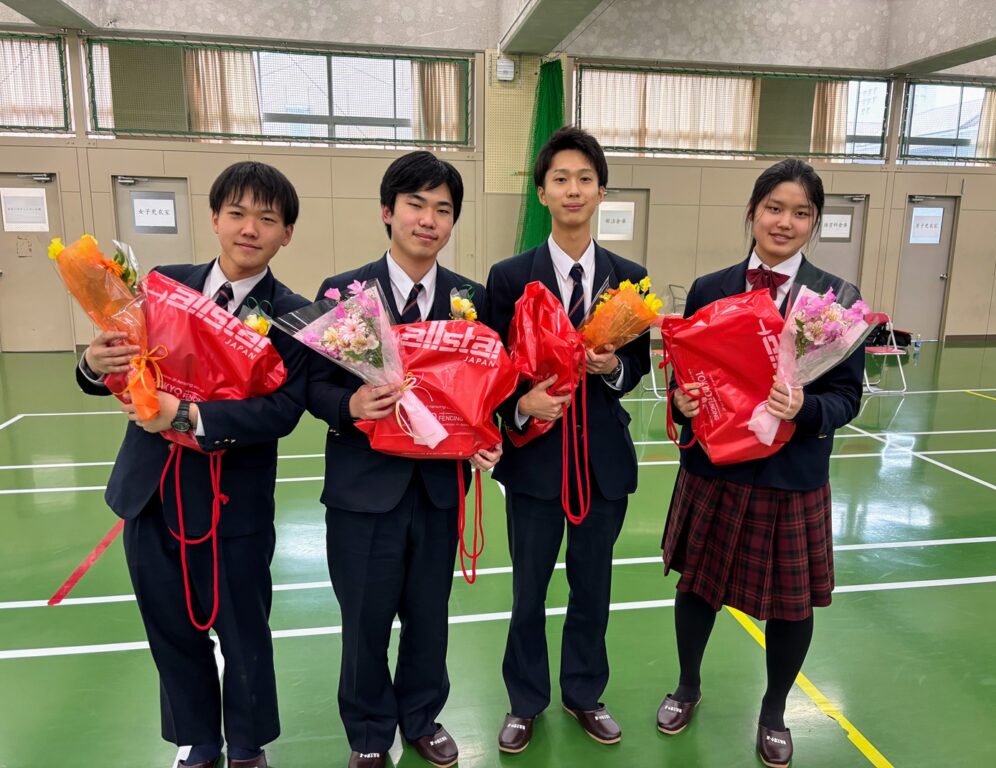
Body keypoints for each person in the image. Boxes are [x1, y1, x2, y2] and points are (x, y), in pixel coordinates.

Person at [76, 161, 309, 768]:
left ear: (287, 233)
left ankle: (248, 746)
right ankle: (198, 741)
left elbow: (283, 410)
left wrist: (187, 416)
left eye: (267, 219)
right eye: (237, 213)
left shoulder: (293, 315)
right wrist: (94, 365)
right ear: (214, 219)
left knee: (244, 631)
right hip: (151, 494)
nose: (249, 228)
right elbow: (118, 363)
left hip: (232, 502)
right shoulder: (162, 287)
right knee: (171, 629)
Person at [656, 158, 865, 768]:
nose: (784, 222)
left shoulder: (836, 301)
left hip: (790, 475)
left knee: (791, 606)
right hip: (715, 467)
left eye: (801, 213)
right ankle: (687, 687)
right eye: (774, 208)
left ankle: (774, 711)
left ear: (814, 223)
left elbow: (847, 398)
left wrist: (804, 408)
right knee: (697, 587)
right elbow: (685, 378)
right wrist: (682, 401)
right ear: (752, 212)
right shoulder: (710, 288)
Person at [306, 151, 501, 768]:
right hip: (365, 492)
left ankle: (421, 717)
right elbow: (311, 385)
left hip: (438, 490)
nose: (428, 219)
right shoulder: (343, 293)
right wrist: (350, 405)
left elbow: (487, 387)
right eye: (416, 204)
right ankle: (368, 732)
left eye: (443, 209)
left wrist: (487, 432)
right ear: (387, 212)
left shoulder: (471, 298)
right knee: (364, 619)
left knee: (428, 616)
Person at [485, 126, 650, 753]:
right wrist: (519, 406)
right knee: (528, 591)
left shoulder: (628, 280)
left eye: (585, 178)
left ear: (601, 191)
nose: (573, 189)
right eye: (561, 179)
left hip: (602, 466)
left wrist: (613, 369)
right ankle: (524, 701)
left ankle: (584, 693)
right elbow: (493, 373)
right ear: (542, 193)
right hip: (535, 465)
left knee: (593, 589)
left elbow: (638, 368)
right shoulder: (509, 278)